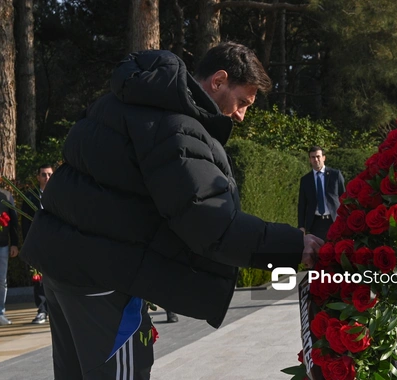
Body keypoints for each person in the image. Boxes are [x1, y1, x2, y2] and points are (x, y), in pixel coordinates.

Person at [20, 42, 323, 379]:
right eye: (242, 103)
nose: (241, 115)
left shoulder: (118, 102)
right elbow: (211, 224)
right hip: (105, 281)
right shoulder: (177, 128)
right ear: (219, 80)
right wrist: (295, 244)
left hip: (62, 271)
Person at [21, 164, 53, 324]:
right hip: (38, 244)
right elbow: (25, 223)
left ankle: (56, 310)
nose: (47, 178)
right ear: (38, 177)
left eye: (49, 175)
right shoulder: (30, 197)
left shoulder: (60, 195)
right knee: (39, 279)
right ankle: (42, 310)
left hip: (57, 243)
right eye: (44, 175)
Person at [298, 146, 346, 240]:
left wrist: (346, 219)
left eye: (318, 156)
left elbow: (344, 197)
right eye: (313, 157)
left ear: (324, 157)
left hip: (334, 221)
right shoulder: (305, 180)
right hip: (316, 224)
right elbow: (302, 204)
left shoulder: (335, 175)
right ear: (310, 160)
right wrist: (301, 226)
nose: (316, 159)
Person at [0, 187, 19, 326]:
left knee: (1, 281)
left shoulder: (6, 195)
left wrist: (15, 243)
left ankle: (0, 312)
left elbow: (13, 221)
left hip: (3, 244)